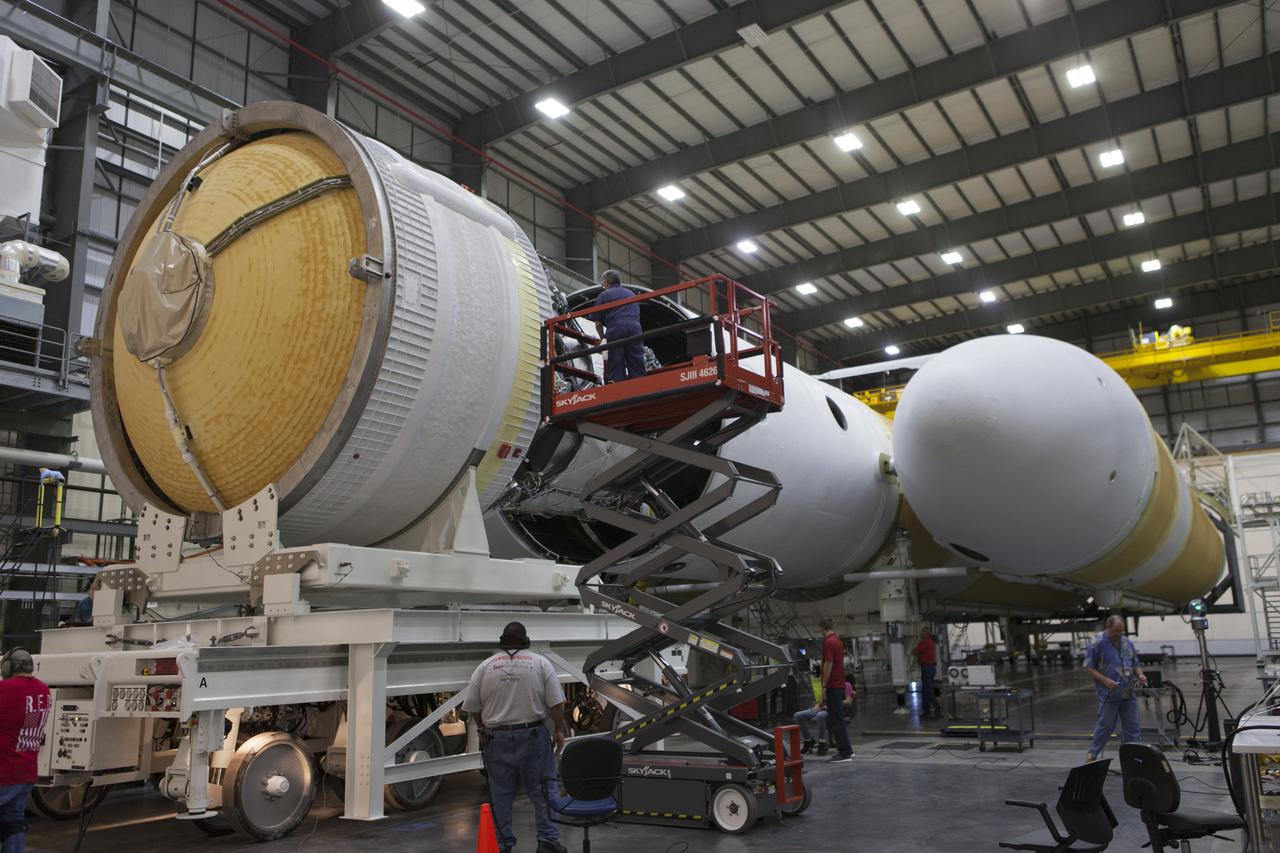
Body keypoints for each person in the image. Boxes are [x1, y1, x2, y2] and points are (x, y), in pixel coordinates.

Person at [463, 622, 568, 853]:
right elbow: (557, 704)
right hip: (533, 737)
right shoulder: (540, 663)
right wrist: (559, 729)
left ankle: (502, 845)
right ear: (525, 641)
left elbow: (472, 706)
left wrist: (482, 727)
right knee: (543, 791)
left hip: (496, 739)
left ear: (503, 642)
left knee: (501, 795)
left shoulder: (485, 667)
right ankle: (548, 842)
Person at [0, 648, 50, 853]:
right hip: (27, 771)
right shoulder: (44, 690)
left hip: (4, 771)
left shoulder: (5, 689)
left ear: (7, 667)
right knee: (14, 822)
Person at [1083, 615, 1146, 761]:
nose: (1119, 634)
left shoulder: (1126, 643)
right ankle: (1092, 754)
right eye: (1116, 631)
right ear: (1108, 628)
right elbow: (1088, 667)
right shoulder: (1097, 643)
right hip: (1109, 694)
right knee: (1106, 726)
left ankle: (1134, 758)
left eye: (1121, 631)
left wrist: (1141, 676)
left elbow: (1135, 663)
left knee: (1133, 728)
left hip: (1128, 693)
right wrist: (1105, 681)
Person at [592, 270, 646, 383]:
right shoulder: (630, 293)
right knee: (636, 359)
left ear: (606, 282)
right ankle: (640, 384)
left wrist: (603, 338)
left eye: (603, 284)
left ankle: (617, 386)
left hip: (616, 328)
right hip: (635, 328)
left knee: (616, 360)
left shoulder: (604, 295)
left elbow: (598, 323)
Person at [819, 617, 854, 762]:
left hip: (833, 685)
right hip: (839, 683)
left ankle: (844, 752)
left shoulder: (828, 642)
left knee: (836, 720)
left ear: (822, 628)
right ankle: (848, 750)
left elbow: (828, 663)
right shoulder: (838, 641)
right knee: (839, 719)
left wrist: (824, 686)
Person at [795, 679, 854, 755]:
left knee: (821, 715)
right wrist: (817, 704)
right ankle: (808, 740)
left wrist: (830, 704)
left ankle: (822, 742)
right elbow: (820, 699)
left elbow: (848, 701)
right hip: (821, 707)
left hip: (834, 709)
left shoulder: (846, 684)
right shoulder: (825, 685)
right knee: (798, 715)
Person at [913, 626, 943, 719]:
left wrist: (915, 651)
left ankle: (938, 710)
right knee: (926, 691)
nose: (920, 634)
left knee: (928, 691)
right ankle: (926, 711)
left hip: (926, 668)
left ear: (925, 633)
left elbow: (914, 652)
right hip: (931, 668)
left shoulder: (924, 642)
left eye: (922, 632)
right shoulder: (931, 642)